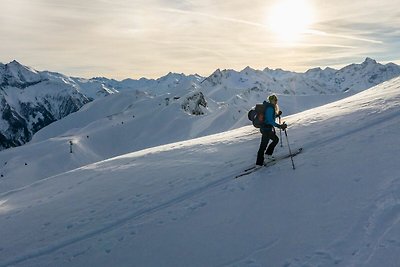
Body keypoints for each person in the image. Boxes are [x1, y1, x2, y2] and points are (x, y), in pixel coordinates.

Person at [256, 94, 287, 166]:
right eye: (275, 100)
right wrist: (280, 126)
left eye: (276, 100)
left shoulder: (270, 107)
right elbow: (270, 121)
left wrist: (277, 115)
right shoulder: (270, 108)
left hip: (266, 128)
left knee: (275, 139)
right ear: (271, 100)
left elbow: (269, 117)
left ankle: (268, 155)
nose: (276, 101)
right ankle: (259, 163)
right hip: (266, 129)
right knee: (263, 146)